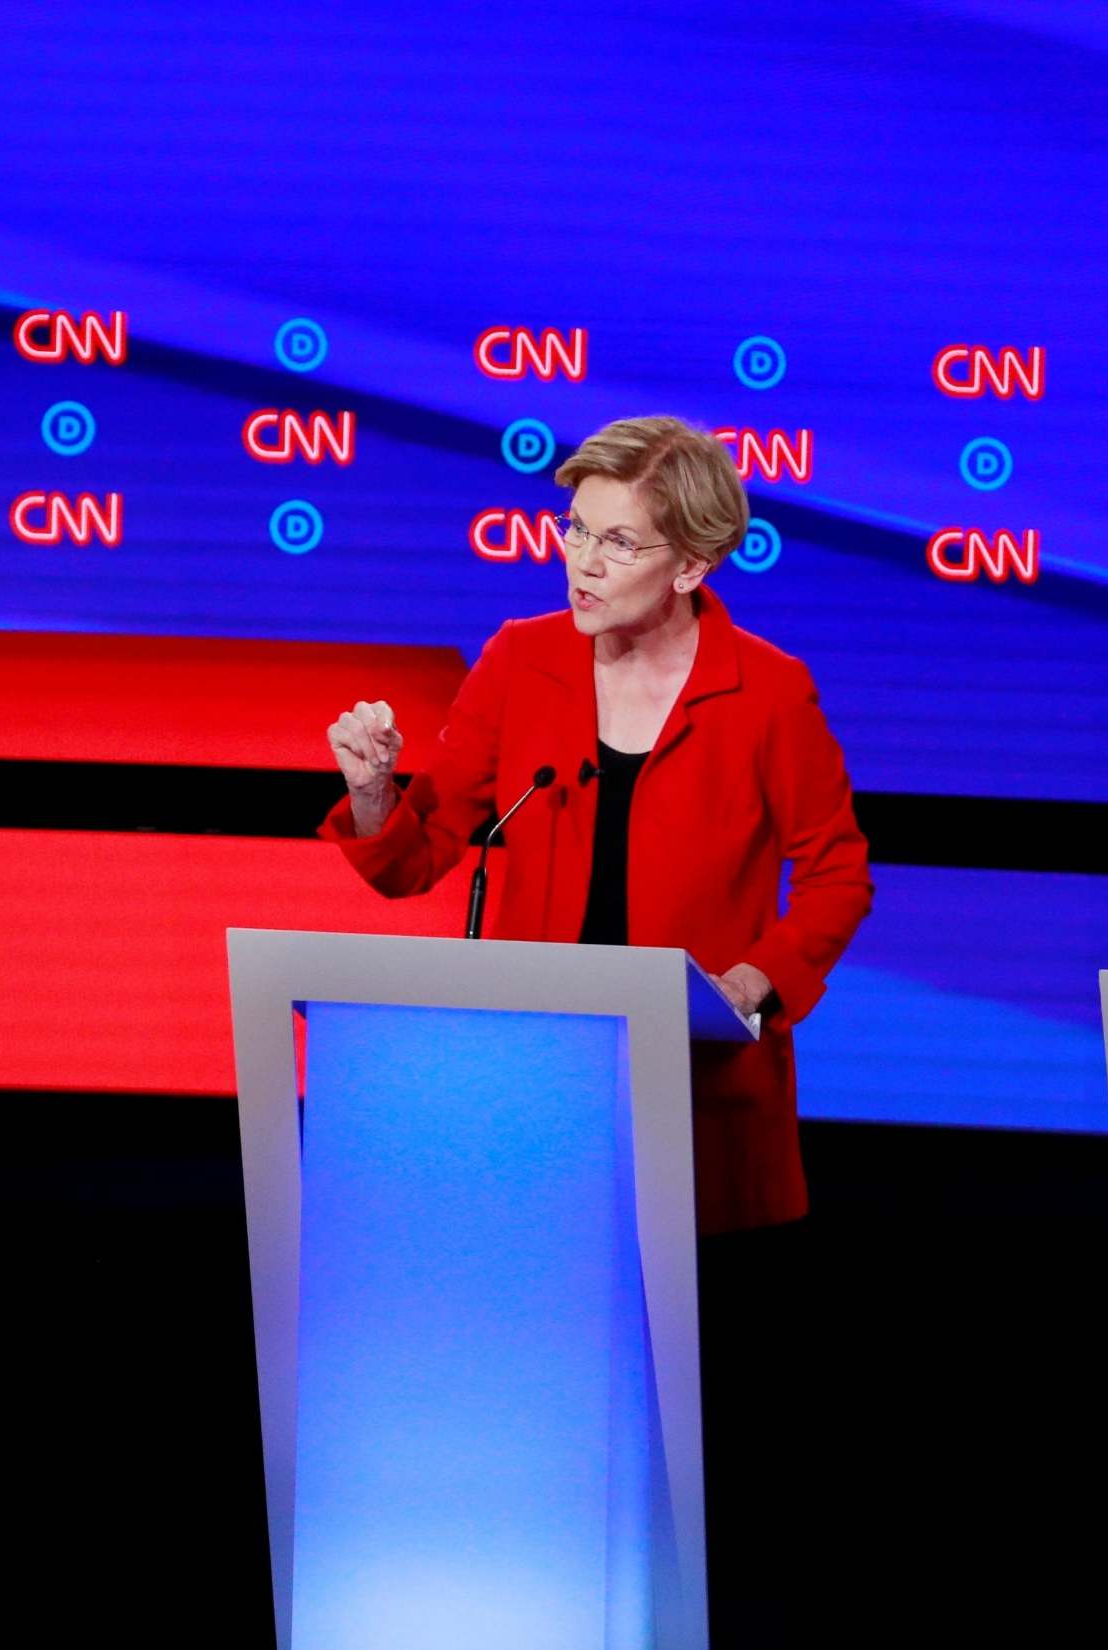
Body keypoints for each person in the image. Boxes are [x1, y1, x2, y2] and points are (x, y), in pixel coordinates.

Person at [322, 414, 872, 1639]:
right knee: (531, 1400)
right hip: (533, 1098)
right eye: (574, 532)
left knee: (682, 1417)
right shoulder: (519, 662)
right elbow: (420, 855)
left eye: (615, 543)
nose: (578, 561)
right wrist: (371, 789)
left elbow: (835, 875)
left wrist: (756, 979)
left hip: (697, 1100)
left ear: (690, 565)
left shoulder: (766, 693)